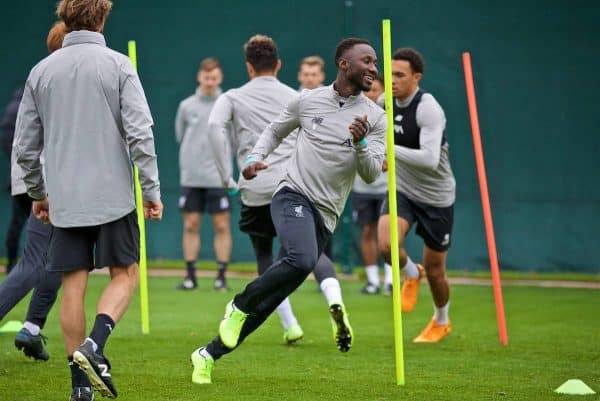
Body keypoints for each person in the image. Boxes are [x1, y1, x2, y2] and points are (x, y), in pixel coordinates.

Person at [191, 37, 386, 384]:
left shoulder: (375, 117)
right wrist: (253, 158)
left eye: (375, 63)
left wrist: (361, 143)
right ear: (344, 64)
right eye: (367, 61)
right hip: (292, 194)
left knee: (273, 296)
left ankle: (207, 354)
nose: (374, 68)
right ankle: (238, 304)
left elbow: (371, 172)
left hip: (327, 213)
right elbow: (274, 131)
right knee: (301, 258)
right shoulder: (307, 101)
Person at [14, 1, 162, 400]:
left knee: (72, 286)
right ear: (102, 17)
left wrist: (38, 193)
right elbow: (141, 135)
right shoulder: (117, 65)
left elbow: (25, 149)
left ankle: (80, 388)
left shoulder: (40, 71)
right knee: (125, 274)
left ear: (65, 18)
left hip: (63, 199)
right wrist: (151, 190)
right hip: (114, 196)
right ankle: (94, 346)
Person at [208, 35, 347, 346]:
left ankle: (290, 324)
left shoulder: (232, 97)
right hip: (296, 189)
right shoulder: (296, 97)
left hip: (255, 190)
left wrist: (226, 178)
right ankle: (334, 298)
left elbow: (214, 128)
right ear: (279, 65)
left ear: (248, 67)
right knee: (311, 254)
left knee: (265, 256)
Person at [377, 48, 455, 343]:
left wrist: (388, 149)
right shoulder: (384, 102)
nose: (392, 81)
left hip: (437, 196)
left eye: (400, 75)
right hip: (404, 189)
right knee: (386, 245)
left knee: (436, 270)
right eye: (390, 75)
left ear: (416, 77)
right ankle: (411, 273)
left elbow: (429, 159)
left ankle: (441, 320)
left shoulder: (428, 107)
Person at [0, 21, 66, 363]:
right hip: (45, 181)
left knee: (57, 259)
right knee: (37, 261)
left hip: (38, 178)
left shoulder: (40, 76)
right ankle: (32, 326)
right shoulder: (52, 80)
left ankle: (33, 328)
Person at [175, 57, 232, 291]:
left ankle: (221, 277)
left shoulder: (228, 103)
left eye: (214, 77)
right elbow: (180, 136)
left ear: (220, 78)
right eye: (206, 77)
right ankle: (190, 277)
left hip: (219, 177)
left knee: (221, 225)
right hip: (191, 177)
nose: (210, 81)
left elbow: (234, 139)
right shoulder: (186, 106)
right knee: (190, 225)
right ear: (200, 77)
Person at [352, 74, 392, 295]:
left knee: (387, 235)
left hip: (387, 188)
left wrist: (387, 161)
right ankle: (372, 281)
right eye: (367, 90)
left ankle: (390, 280)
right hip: (362, 187)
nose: (371, 94)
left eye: (375, 89)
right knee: (367, 231)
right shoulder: (355, 116)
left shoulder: (390, 115)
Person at [2, 84, 27, 274]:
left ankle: (11, 264)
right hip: (33, 178)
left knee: (16, 224)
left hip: (18, 176)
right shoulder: (29, 107)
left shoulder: (12, 108)